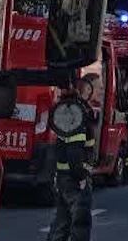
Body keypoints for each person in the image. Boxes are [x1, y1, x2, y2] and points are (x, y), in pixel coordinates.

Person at [49, 76, 98, 241]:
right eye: (99, 87)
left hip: (65, 176)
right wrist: (81, 175)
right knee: (80, 222)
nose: (101, 91)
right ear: (88, 89)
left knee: (62, 222)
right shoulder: (78, 112)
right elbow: (74, 149)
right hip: (74, 177)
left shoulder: (71, 109)